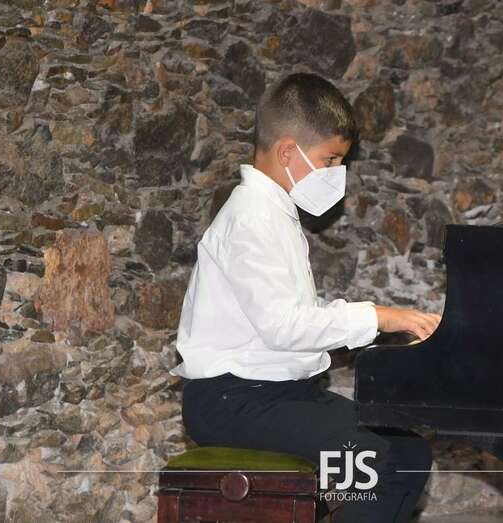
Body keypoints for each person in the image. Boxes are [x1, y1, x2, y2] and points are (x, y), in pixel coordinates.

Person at [170, 71, 441, 522]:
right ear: (287, 152)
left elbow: (298, 314)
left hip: (271, 394)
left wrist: (382, 319)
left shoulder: (274, 213)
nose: (337, 173)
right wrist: (380, 317)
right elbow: (284, 328)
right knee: (376, 462)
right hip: (231, 400)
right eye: (330, 159)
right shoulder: (252, 218)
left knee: (409, 451)